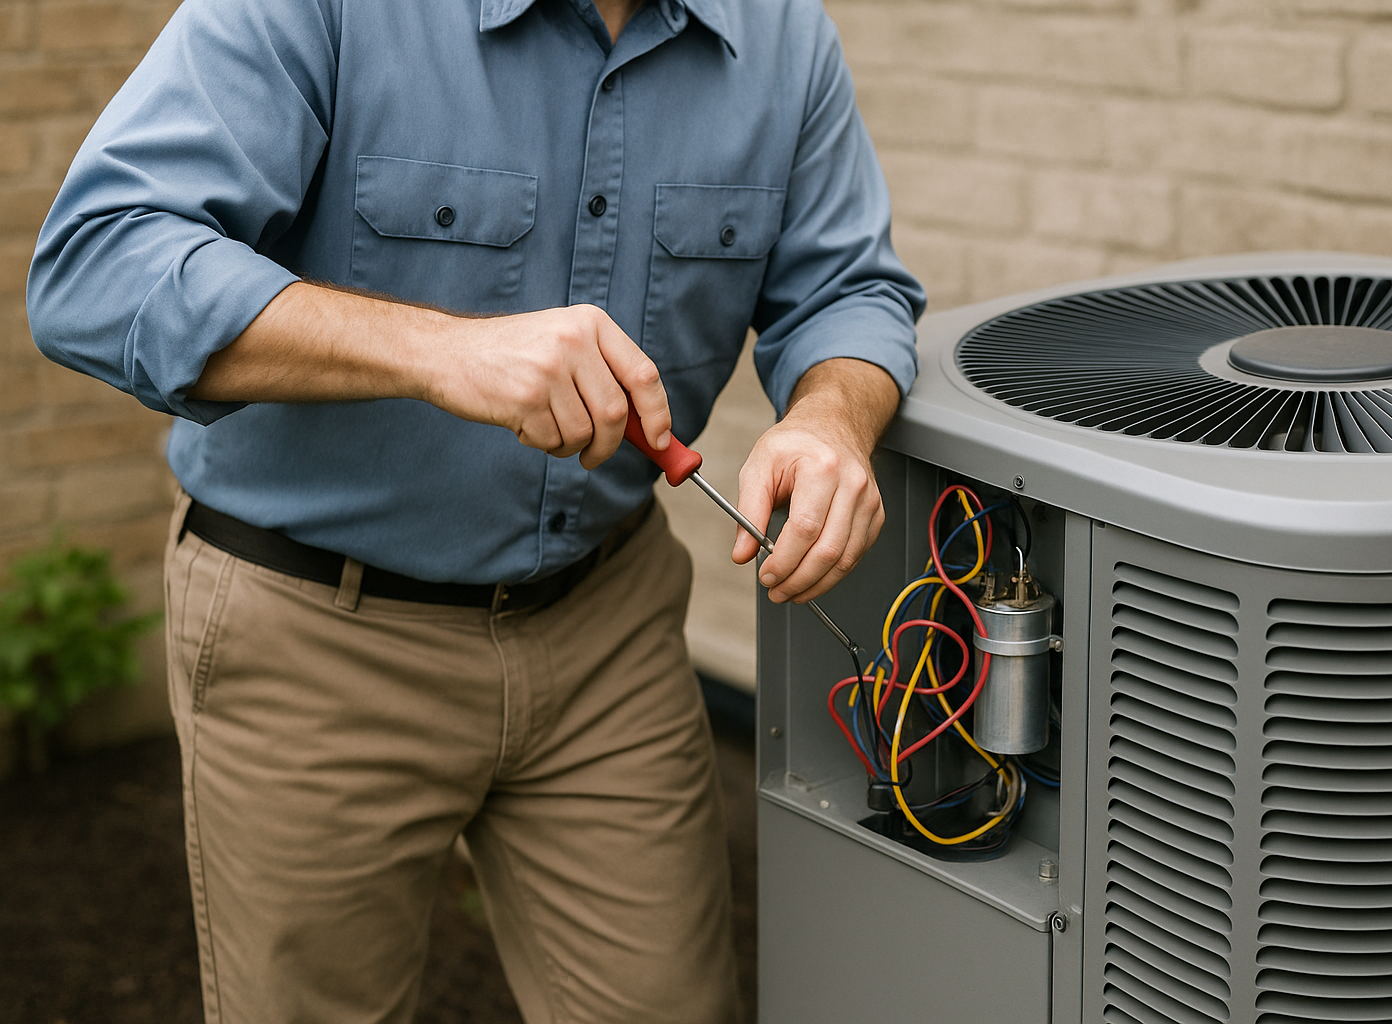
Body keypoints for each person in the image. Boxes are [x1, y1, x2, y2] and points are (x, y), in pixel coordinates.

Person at [27, 0, 923, 1020]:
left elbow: (848, 288)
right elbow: (95, 266)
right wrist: (439, 349)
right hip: (314, 633)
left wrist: (833, 417)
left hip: (608, 633)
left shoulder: (782, 35)